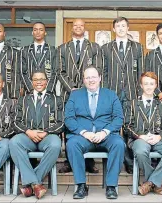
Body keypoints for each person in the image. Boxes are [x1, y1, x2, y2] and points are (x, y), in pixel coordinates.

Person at [65, 66, 125, 199]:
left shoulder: (111, 94)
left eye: (93, 77)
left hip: (106, 135)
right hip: (84, 136)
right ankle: (81, 185)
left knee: (119, 144)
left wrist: (104, 132)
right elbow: (69, 118)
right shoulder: (75, 95)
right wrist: (84, 132)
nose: (90, 80)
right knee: (72, 144)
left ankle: (111, 186)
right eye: (87, 77)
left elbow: (118, 118)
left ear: (99, 78)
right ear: (83, 80)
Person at [9, 70, 64, 199]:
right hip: (28, 136)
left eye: (42, 79)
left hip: (47, 136)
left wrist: (46, 132)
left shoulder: (57, 99)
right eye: (35, 79)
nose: (39, 81)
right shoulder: (23, 100)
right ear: (31, 82)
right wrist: (28, 131)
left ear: (46, 81)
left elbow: (61, 123)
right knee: (14, 142)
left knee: (56, 144)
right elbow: (15, 122)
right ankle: (36, 184)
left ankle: (31, 183)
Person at [56, 18, 101, 173]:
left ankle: (89, 162)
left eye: (81, 25)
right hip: (68, 94)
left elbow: (96, 70)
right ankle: (69, 161)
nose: (78, 27)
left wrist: (82, 89)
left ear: (84, 28)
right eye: (75, 25)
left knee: (88, 122)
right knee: (70, 126)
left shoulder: (94, 47)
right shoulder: (62, 48)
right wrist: (72, 88)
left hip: (88, 92)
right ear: (72, 28)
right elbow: (59, 71)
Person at [125, 72, 162, 195]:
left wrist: (159, 136)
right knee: (140, 151)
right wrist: (140, 136)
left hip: (158, 139)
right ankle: (154, 183)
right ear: (141, 86)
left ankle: (149, 183)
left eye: (151, 84)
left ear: (156, 86)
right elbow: (127, 126)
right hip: (139, 139)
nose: (149, 87)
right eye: (146, 84)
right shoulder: (132, 103)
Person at [101, 16, 144, 174]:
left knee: (128, 127)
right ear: (113, 29)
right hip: (112, 92)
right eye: (118, 26)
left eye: (123, 26)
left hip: (132, 92)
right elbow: (103, 72)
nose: (120, 28)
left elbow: (141, 72)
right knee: (112, 127)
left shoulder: (137, 47)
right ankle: (115, 161)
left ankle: (129, 161)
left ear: (128, 28)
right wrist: (106, 91)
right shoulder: (106, 48)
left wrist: (139, 91)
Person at [20, 22, 57, 94]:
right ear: (32, 32)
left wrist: (48, 89)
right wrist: (31, 89)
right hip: (29, 92)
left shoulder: (52, 50)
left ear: (45, 33)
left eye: (41, 30)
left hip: (49, 92)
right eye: (35, 30)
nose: (38, 32)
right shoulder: (24, 50)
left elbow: (55, 72)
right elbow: (22, 72)